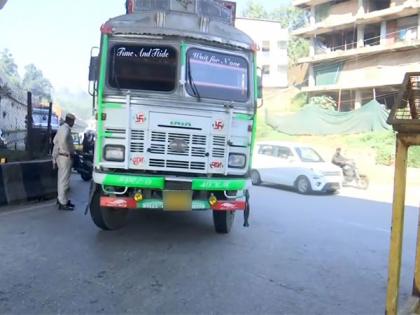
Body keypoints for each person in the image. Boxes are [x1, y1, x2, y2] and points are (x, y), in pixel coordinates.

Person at [52, 113, 76, 211]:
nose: (73, 124)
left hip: (60, 157)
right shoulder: (66, 130)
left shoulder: (61, 128)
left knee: (60, 179)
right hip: (65, 157)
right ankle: (63, 203)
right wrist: (69, 152)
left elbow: (55, 142)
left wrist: (53, 159)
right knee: (64, 181)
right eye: (73, 122)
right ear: (70, 121)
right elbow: (62, 143)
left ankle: (61, 199)